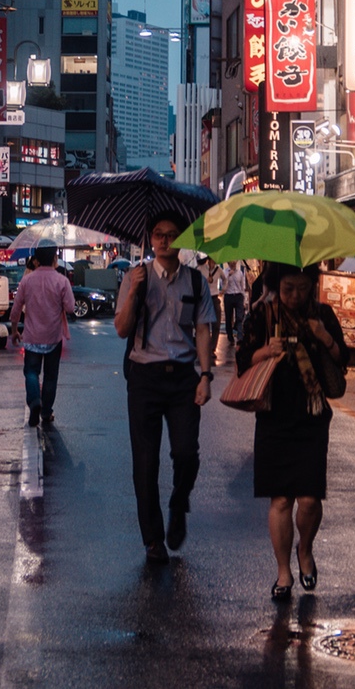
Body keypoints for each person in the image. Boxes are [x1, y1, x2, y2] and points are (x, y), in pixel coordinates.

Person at [236, 262, 348, 601]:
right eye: (288, 289)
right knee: (281, 498)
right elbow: (242, 359)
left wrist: (324, 337)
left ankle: (306, 549)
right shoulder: (262, 315)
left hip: (312, 416)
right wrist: (265, 352)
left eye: (302, 288)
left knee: (310, 498)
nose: (295, 296)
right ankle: (284, 571)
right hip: (274, 416)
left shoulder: (323, 315)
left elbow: (344, 359)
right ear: (276, 285)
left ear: (312, 286)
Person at [115, 212, 216, 564]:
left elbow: (203, 329)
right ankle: (153, 539)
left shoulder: (196, 281)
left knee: (187, 453)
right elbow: (122, 329)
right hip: (144, 376)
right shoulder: (135, 277)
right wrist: (133, 293)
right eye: (158, 234)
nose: (164, 241)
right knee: (145, 461)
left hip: (183, 377)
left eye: (172, 235)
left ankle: (178, 500)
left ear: (181, 239)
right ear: (151, 238)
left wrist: (206, 376)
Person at [10, 245, 75, 428]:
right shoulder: (61, 281)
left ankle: (34, 402)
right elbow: (70, 308)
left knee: (31, 372)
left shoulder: (27, 281)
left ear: (37, 260)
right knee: (50, 376)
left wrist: (15, 330)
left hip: (31, 336)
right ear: (54, 258)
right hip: (53, 336)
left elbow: (16, 310)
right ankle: (46, 412)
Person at [196, 253, 223, 359]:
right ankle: (204, 348)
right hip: (204, 298)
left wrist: (223, 289)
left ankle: (212, 348)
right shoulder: (202, 269)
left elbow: (225, 279)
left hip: (215, 297)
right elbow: (196, 280)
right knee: (204, 324)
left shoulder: (219, 270)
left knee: (216, 324)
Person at [222, 259, 249, 343]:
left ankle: (240, 336)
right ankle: (230, 336)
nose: (233, 264)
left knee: (239, 317)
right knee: (228, 317)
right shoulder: (225, 272)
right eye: (231, 263)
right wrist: (228, 276)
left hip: (238, 296)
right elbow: (223, 285)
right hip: (228, 295)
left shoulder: (240, 273)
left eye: (234, 262)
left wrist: (244, 300)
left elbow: (242, 287)